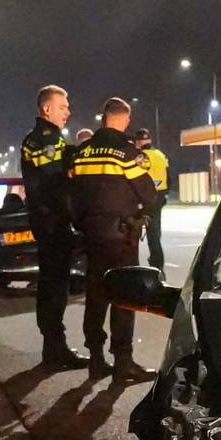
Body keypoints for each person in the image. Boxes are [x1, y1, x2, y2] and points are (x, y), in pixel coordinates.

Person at [70, 98, 159, 382]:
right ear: (125, 119)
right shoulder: (127, 153)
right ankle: (123, 362)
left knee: (95, 297)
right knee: (124, 297)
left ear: (103, 117)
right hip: (122, 238)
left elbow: (72, 196)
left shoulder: (81, 153)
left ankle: (96, 359)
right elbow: (148, 194)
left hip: (91, 237)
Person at [20, 84, 88, 371]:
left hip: (52, 222)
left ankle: (54, 348)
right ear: (46, 108)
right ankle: (55, 350)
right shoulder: (42, 141)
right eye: (63, 106)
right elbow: (53, 183)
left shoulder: (52, 140)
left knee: (55, 286)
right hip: (51, 223)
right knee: (53, 288)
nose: (68, 112)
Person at [133, 128, 170, 275]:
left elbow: (137, 177)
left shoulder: (141, 156)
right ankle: (157, 263)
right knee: (155, 234)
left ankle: (133, 265)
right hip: (160, 196)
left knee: (135, 233)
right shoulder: (160, 155)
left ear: (139, 142)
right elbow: (169, 176)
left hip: (144, 198)